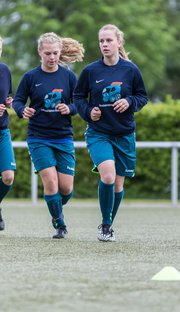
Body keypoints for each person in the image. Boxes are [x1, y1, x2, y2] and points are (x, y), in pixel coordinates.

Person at [73, 24, 148, 242]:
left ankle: (107, 223)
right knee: (108, 175)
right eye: (101, 41)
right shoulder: (90, 71)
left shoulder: (131, 70)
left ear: (118, 42)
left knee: (118, 184)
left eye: (109, 40)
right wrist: (89, 112)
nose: (104, 44)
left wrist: (130, 101)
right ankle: (105, 226)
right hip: (99, 133)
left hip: (124, 134)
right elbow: (78, 98)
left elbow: (142, 97)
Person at [13, 32, 84, 239]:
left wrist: (69, 108)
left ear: (60, 52)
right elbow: (18, 101)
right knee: (51, 182)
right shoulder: (30, 77)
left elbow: (79, 104)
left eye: (55, 53)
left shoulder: (69, 76)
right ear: (39, 53)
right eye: (47, 53)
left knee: (66, 188)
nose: (52, 57)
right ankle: (59, 224)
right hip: (38, 137)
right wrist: (22, 110)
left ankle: (53, 206)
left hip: (63, 137)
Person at [0, 36, 16, 231]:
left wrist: (10, 103)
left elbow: (7, 96)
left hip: (2, 131)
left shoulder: (5, 70)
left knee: (8, 177)